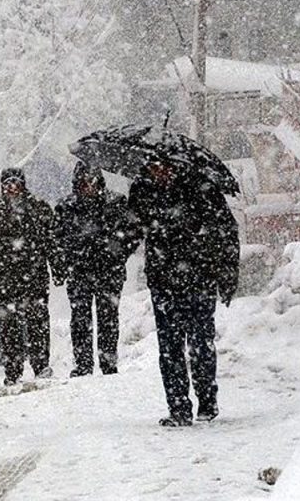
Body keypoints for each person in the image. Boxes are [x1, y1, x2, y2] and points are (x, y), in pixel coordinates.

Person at [128, 159, 240, 427]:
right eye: (153, 167)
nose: (160, 172)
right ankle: (178, 407)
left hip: (198, 278)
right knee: (170, 347)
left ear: (175, 165)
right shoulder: (143, 190)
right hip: (164, 281)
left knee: (200, 343)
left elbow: (226, 230)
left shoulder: (200, 186)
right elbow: (131, 231)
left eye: (163, 166)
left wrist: (227, 274)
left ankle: (207, 402)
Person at [0, 167, 58, 386]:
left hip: (34, 276)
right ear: (2, 185)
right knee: (10, 327)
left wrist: (58, 268)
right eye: (7, 183)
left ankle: (41, 365)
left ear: (23, 184)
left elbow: (53, 241)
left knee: (37, 322)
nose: (12, 187)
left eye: (16, 182)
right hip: (4, 278)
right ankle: (13, 370)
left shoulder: (39, 208)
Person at [54, 162, 140, 377]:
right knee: (80, 318)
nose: (88, 186)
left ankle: (108, 362)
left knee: (108, 318)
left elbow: (133, 233)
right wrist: (67, 259)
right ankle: (83, 364)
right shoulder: (66, 207)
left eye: (91, 181)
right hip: (79, 271)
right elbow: (56, 238)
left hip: (109, 271)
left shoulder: (117, 203)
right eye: (83, 182)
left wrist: (118, 254)